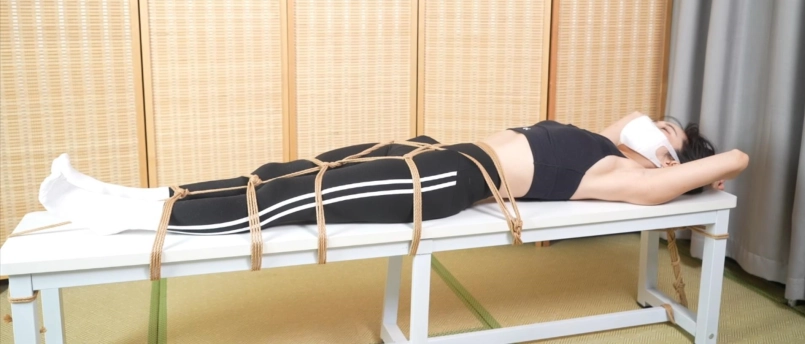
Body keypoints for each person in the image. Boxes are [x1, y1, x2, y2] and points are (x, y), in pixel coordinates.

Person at [37, 113, 749, 236]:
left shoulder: (627, 177)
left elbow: (739, 158)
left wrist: (692, 171)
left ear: (673, 162)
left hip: (450, 182)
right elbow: (627, 119)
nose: (650, 122)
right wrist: (653, 134)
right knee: (286, 171)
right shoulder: (608, 141)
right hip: (437, 151)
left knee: (289, 199)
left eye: (666, 130)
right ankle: (141, 196)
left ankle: (130, 219)